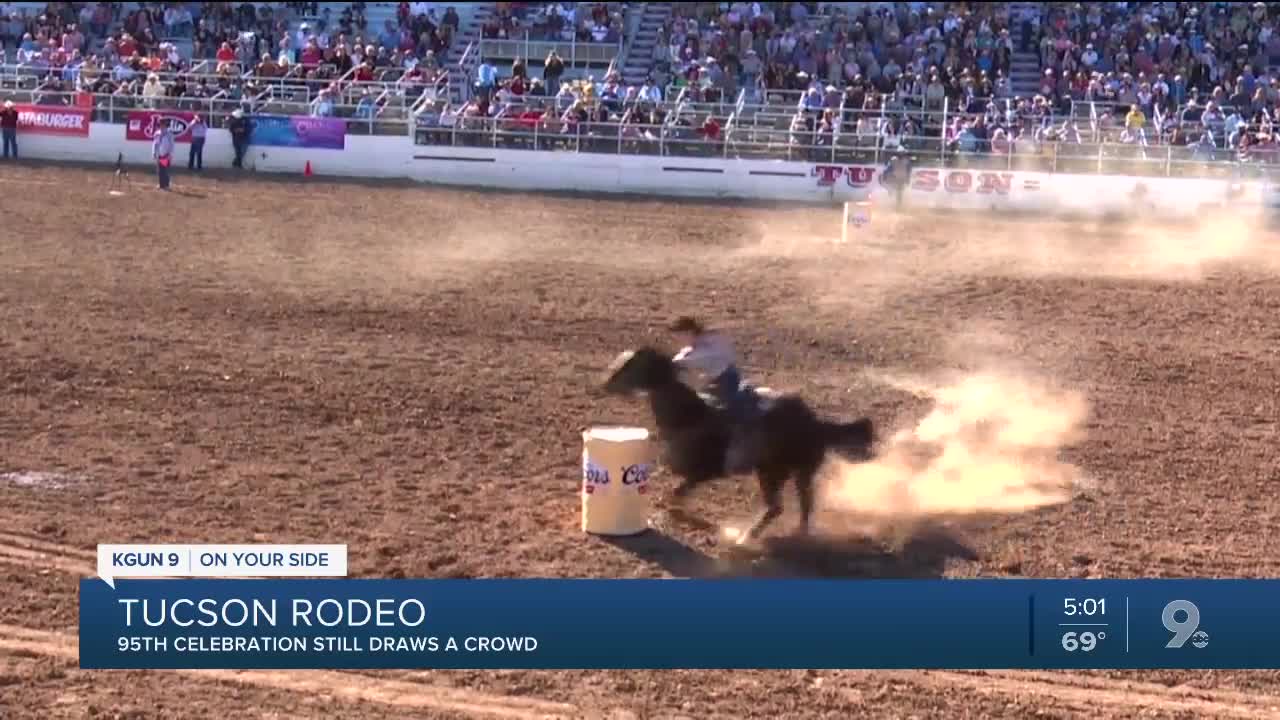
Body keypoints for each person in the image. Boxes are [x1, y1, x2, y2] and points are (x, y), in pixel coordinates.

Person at [669, 316, 759, 474]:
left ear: (689, 332)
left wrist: (672, 364)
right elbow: (684, 357)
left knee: (725, 411)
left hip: (726, 381)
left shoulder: (709, 344)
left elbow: (693, 359)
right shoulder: (699, 344)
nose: (677, 339)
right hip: (715, 382)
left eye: (679, 335)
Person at [152, 120, 174, 190]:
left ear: (165, 125)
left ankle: (166, 185)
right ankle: (161, 184)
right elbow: (154, 144)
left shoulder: (169, 134)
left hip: (166, 154)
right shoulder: (157, 133)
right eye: (160, 125)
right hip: (159, 154)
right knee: (159, 170)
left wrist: (170, 154)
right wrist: (153, 152)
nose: (161, 126)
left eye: (162, 125)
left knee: (165, 170)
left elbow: (171, 145)